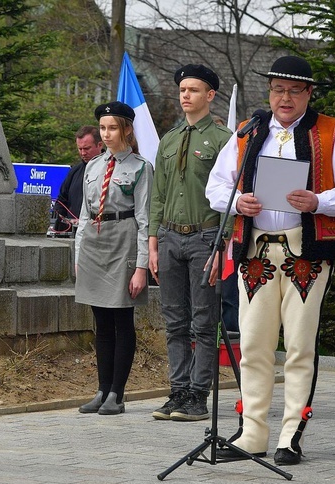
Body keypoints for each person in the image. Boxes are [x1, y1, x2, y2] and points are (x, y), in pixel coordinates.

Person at [206, 55, 335, 465]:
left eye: (294, 90)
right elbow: (217, 185)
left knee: (298, 345)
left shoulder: (333, 133)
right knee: (255, 343)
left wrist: (319, 200)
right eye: (278, 89)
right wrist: (236, 200)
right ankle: (252, 433)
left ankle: (291, 434)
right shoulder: (247, 131)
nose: (285, 98)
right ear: (270, 92)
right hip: (255, 249)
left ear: (309, 93)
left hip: (306, 251)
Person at [149, 64, 232, 422]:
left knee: (203, 321)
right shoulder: (168, 140)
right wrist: (152, 243)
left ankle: (198, 395)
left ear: (210, 95)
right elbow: (157, 195)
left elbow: (232, 197)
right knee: (174, 321)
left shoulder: (224, 140)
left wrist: (221, 245)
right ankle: (177, 391)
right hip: (169, 237)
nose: (186, 95)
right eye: (182, 89)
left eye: (194, 90)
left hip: (204, 237)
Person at [75, 101, 152, 416]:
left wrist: (141, 267)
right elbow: (83, 215)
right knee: (101, 322)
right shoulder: (93, 166)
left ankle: (117, 395)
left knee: (122, 319)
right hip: (95, 241)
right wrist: (78, 255)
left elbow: (146, 219)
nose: (106, 134)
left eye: (112, 128)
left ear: (127, 130)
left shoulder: (140, 167)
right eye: (103, 128)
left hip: (124, 240)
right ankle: (101, 389)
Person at [51, 126, 104, 235]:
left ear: (99, 145)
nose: (83, 153)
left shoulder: (110, 169)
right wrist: (64, 220)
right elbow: (61, 201)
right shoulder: (74, 171)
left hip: (98, 233)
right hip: (73, 233)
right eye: (80, 149)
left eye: (87, 148)